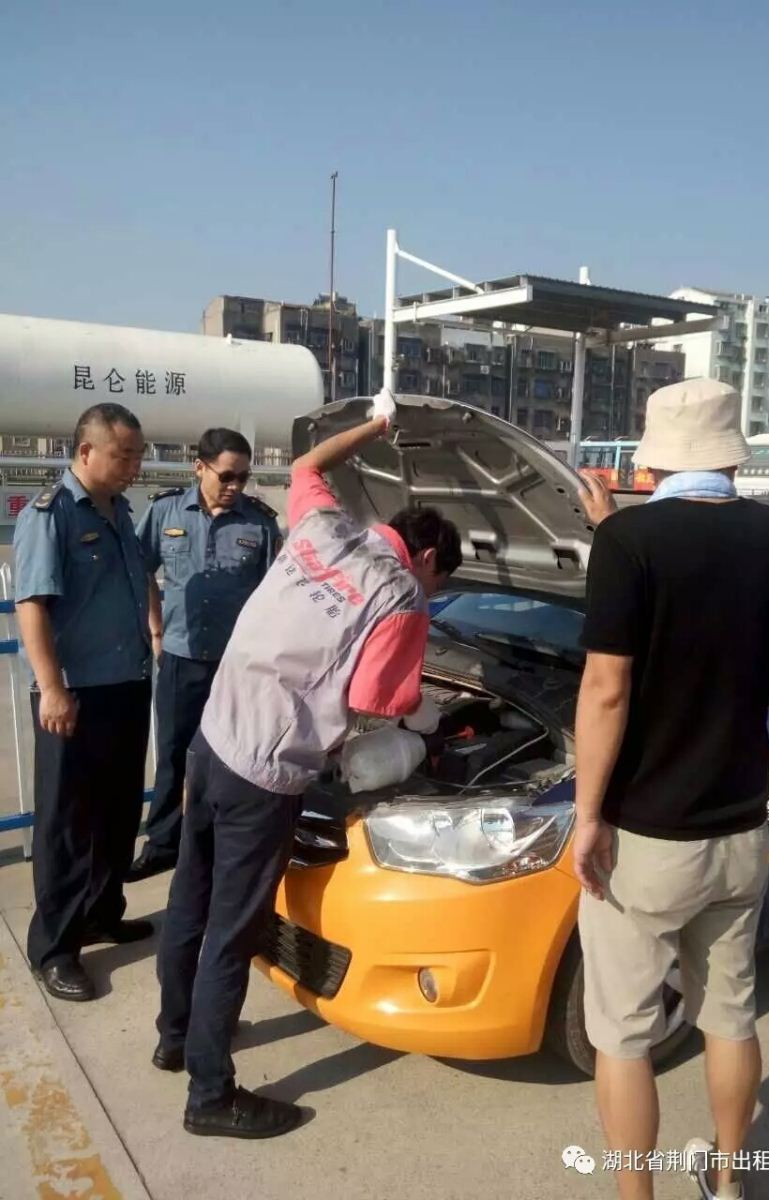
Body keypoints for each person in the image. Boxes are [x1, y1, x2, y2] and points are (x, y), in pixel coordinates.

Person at [153, 405, 462, 1140]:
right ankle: (210, 1095)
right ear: (425, 559)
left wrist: (376, 428)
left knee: (190, 898)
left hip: (213, 739)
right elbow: (375, 699)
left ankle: (175, 1035)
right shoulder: (400, 594)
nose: (430, 591)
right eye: (438, 581)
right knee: (235, 930)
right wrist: (421, 714)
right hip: (265, 773)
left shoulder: (324, 526)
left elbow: (305, 467)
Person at [573, 379, 769, 1200]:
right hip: (739, 825)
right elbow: (703, 591)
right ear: (731, 450)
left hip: (646, 833)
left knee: (624, 1035)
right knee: (729, 1016)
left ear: (653, 456)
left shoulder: (629, 541)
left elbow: (607, 687)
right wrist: (614, 531)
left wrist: (586, 816)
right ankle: (730, 1181)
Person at [14, 403, 154, 1003]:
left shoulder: (120, 511)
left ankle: (101, 912)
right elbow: (31, 606)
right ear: (86, 451)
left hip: (126, 685)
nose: (133, 466)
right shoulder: (50, 516)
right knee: (67, 824)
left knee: (117, 813)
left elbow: (140, 582)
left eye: (138, 456)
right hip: (74, 695)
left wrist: (154, 632)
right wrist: (51, 687)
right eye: (124, 455)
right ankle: (54, 947)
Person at [128, 428, 282, 882]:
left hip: (236, 666)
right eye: (227, 476)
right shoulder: (166, 511)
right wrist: (156, 628)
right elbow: (139, 568)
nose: (235, 486)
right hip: (181, 656)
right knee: (174, 754)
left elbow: (274, 593)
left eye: (243, 478)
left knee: (229, 756)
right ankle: (163, 844)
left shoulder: (259, 523)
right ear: (199, 467)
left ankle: (213, 844)